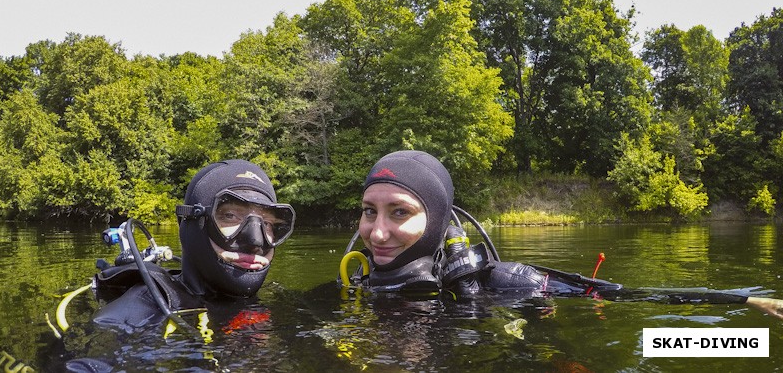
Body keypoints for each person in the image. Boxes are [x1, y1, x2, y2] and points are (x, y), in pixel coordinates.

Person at [340, 150, 783, 319]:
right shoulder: (349, 291)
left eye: (399, 212)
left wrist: (744, 300)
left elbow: (625, 295)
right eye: (368, 212)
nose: (377, 233)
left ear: (436, 220)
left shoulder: (504, 283)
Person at [89, 158, 295, 330]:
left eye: (267, 223)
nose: (255, 241)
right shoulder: (141, 310)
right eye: (230, 216)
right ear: (192, 224)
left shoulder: (285, 299)